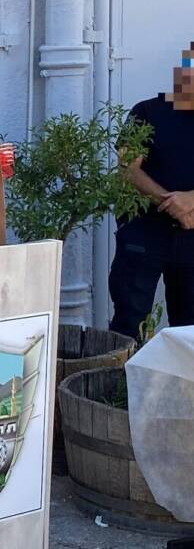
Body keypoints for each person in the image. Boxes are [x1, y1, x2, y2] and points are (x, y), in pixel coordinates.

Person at [108, 43, 194, 340]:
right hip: (143, 234)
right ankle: (119, 387)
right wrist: (171, 203)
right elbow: (127, 169)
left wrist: (191, 200)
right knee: (129, 324)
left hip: (192, 236)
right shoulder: (147, 111)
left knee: (189, 332)